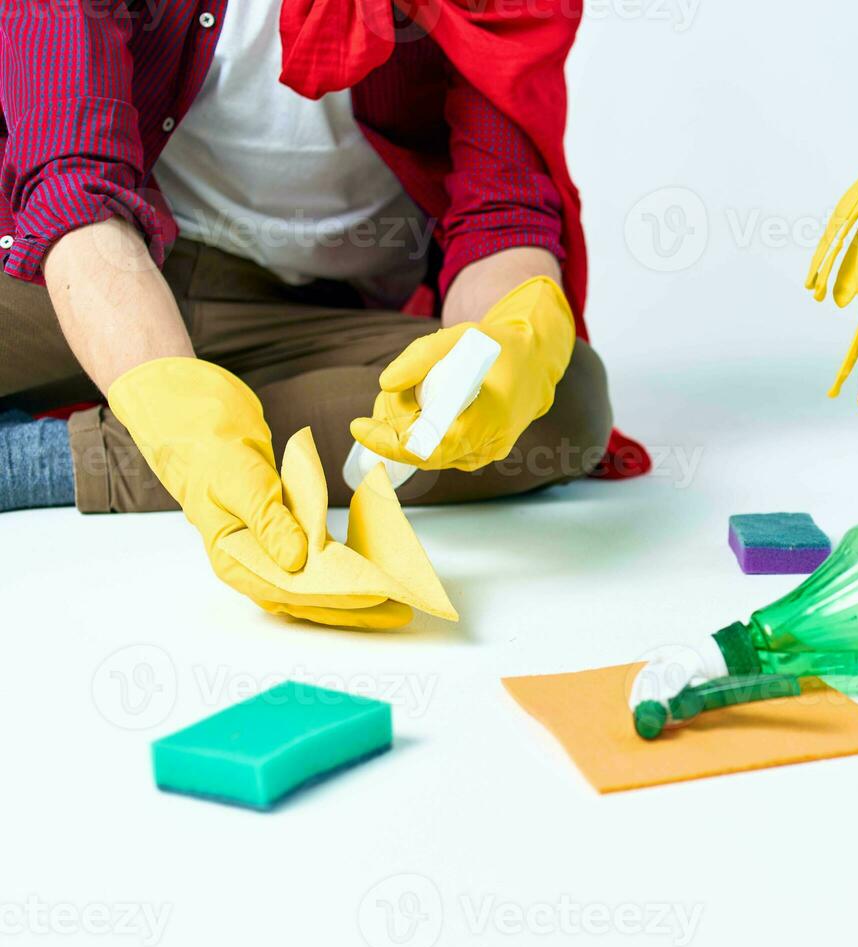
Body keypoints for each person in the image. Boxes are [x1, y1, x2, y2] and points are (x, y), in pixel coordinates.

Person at [0, 2, 648, 599]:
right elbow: (72, 185)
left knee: (560, 404)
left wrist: (501, 338)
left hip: (317, 317)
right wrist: (162, 385)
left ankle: (50, 459)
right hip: (108, 266)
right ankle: (183, 416)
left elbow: (501, 215)